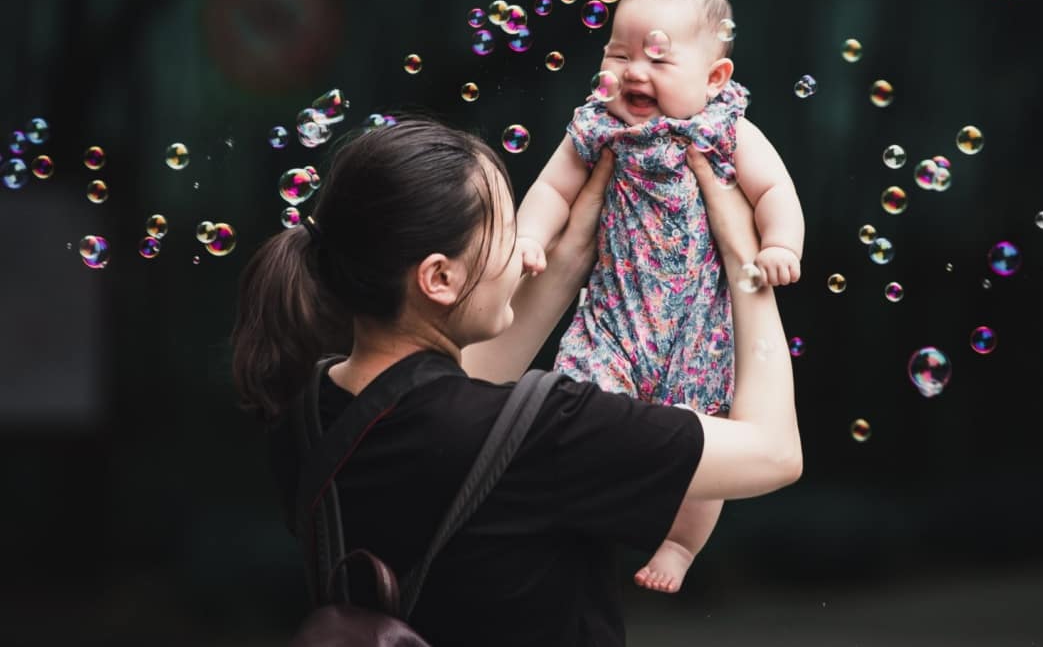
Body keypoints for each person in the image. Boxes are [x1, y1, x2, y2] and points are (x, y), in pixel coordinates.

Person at [230, 117, 802, 647]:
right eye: (507, 232)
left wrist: (578, 244)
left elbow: (444, 408)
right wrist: (741, 261)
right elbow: (775, 454)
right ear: (438, 276)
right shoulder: (550, 433)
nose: (524, 254)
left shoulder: (304, 421)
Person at [515, 0, 805, 592]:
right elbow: (551, 190)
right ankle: (585, 514)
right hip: (614, 323)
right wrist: (530, 237)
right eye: (619, 54)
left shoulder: (725, 130)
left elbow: (775, 190)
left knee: (706, 441)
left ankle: (680, 542)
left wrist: (780, 243)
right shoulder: (598, 126)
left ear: (714, 78)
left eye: (657, 58)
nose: (633, 72)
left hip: (698, 336)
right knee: (582, 411)